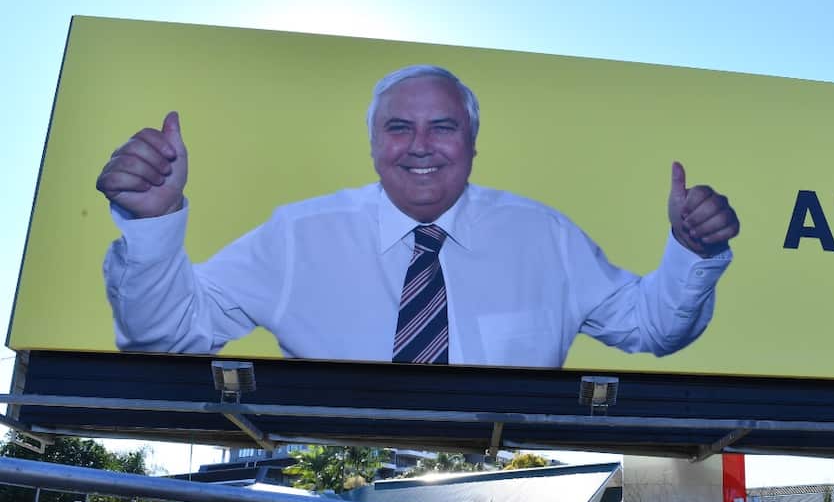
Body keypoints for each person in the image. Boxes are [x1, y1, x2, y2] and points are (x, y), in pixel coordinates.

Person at [97, 65, 740, 367]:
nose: (421, 145)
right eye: (399, 128)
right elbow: (166, 338)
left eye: (443, 127)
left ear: (473, 144)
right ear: (374, 146)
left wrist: (692, 252)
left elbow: (654, 328)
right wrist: (153, 227)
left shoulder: (543, 235)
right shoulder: (299, 237)